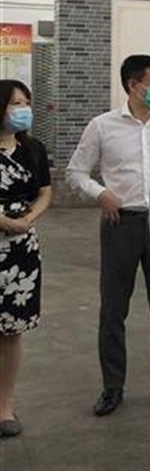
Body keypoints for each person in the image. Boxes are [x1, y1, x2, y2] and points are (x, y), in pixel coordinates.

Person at [65, 54, 150, 417]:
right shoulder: (103, 126)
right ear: (134, 85)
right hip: (121, 224)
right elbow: (76, 172)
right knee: (113, 309)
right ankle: (112, 386)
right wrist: (100, 193)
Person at [0, 80, 52, 439]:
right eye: (16, 103)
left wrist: (29, 218)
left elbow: (45, 191)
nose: (24, 110)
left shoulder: (33, 149)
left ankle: (4, 405)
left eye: (26, 103)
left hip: (21, 251)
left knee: (11, 331)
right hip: (6, 230)